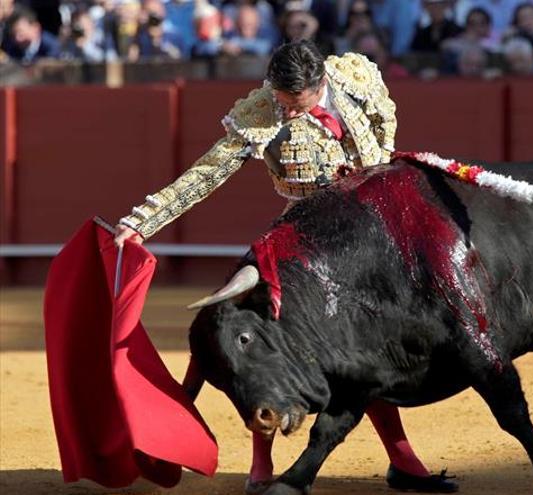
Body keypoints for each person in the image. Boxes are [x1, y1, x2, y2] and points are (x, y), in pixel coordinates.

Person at [113, 40, 458, 495]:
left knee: (367, 354)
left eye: (296, 103)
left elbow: (383, 121)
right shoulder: (262, 113)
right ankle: (261, 462)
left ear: (322, 84)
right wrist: (141, 221)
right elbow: (206, 172)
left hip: (368, 238)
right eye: (280, 100)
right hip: (301, 239)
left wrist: (379, 170)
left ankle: (403, 461)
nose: (287, 111)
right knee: (264, 348)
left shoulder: (356, 78)